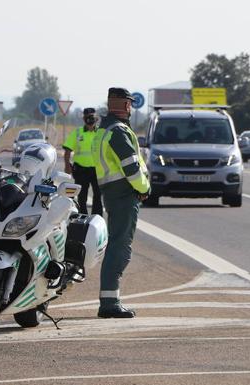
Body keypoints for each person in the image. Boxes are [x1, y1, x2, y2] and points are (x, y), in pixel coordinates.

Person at [91, 87, 150, 318]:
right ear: (127, 106)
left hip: (112, 192)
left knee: (116, 244)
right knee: (120, 247)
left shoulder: (103, 130)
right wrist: (144, 188)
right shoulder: (118, 132)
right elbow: (132, 168)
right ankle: (109, 304)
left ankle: (110, 300)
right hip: (124, 194)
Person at [63, 108, 103, 215]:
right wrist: (67, 165)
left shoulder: (101, 133)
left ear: (96, 119)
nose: (90, 120)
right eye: (87, 117)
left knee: (98, 195)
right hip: (81, 169)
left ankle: (96, 217)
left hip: (98, 169)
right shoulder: (77, 132)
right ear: (84, 119)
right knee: (81, 196)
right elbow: (67, 150)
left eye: (92, 117)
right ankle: (82, 217)